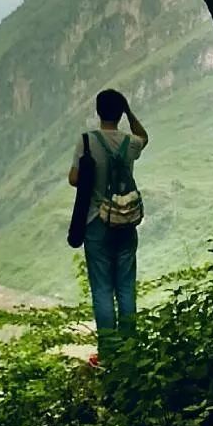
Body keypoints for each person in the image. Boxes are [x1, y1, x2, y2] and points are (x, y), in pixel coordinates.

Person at [68, 88, 148, 364]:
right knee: (126, 286)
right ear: (120, 112)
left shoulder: (87, 141)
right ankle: (130, 349)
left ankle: (109, 353)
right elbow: (144, 137)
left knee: (102, 289)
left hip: (96, 222)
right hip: (125, 221)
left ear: (98, 111)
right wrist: (129, 111)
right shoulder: (130, 142)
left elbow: (74, 178)